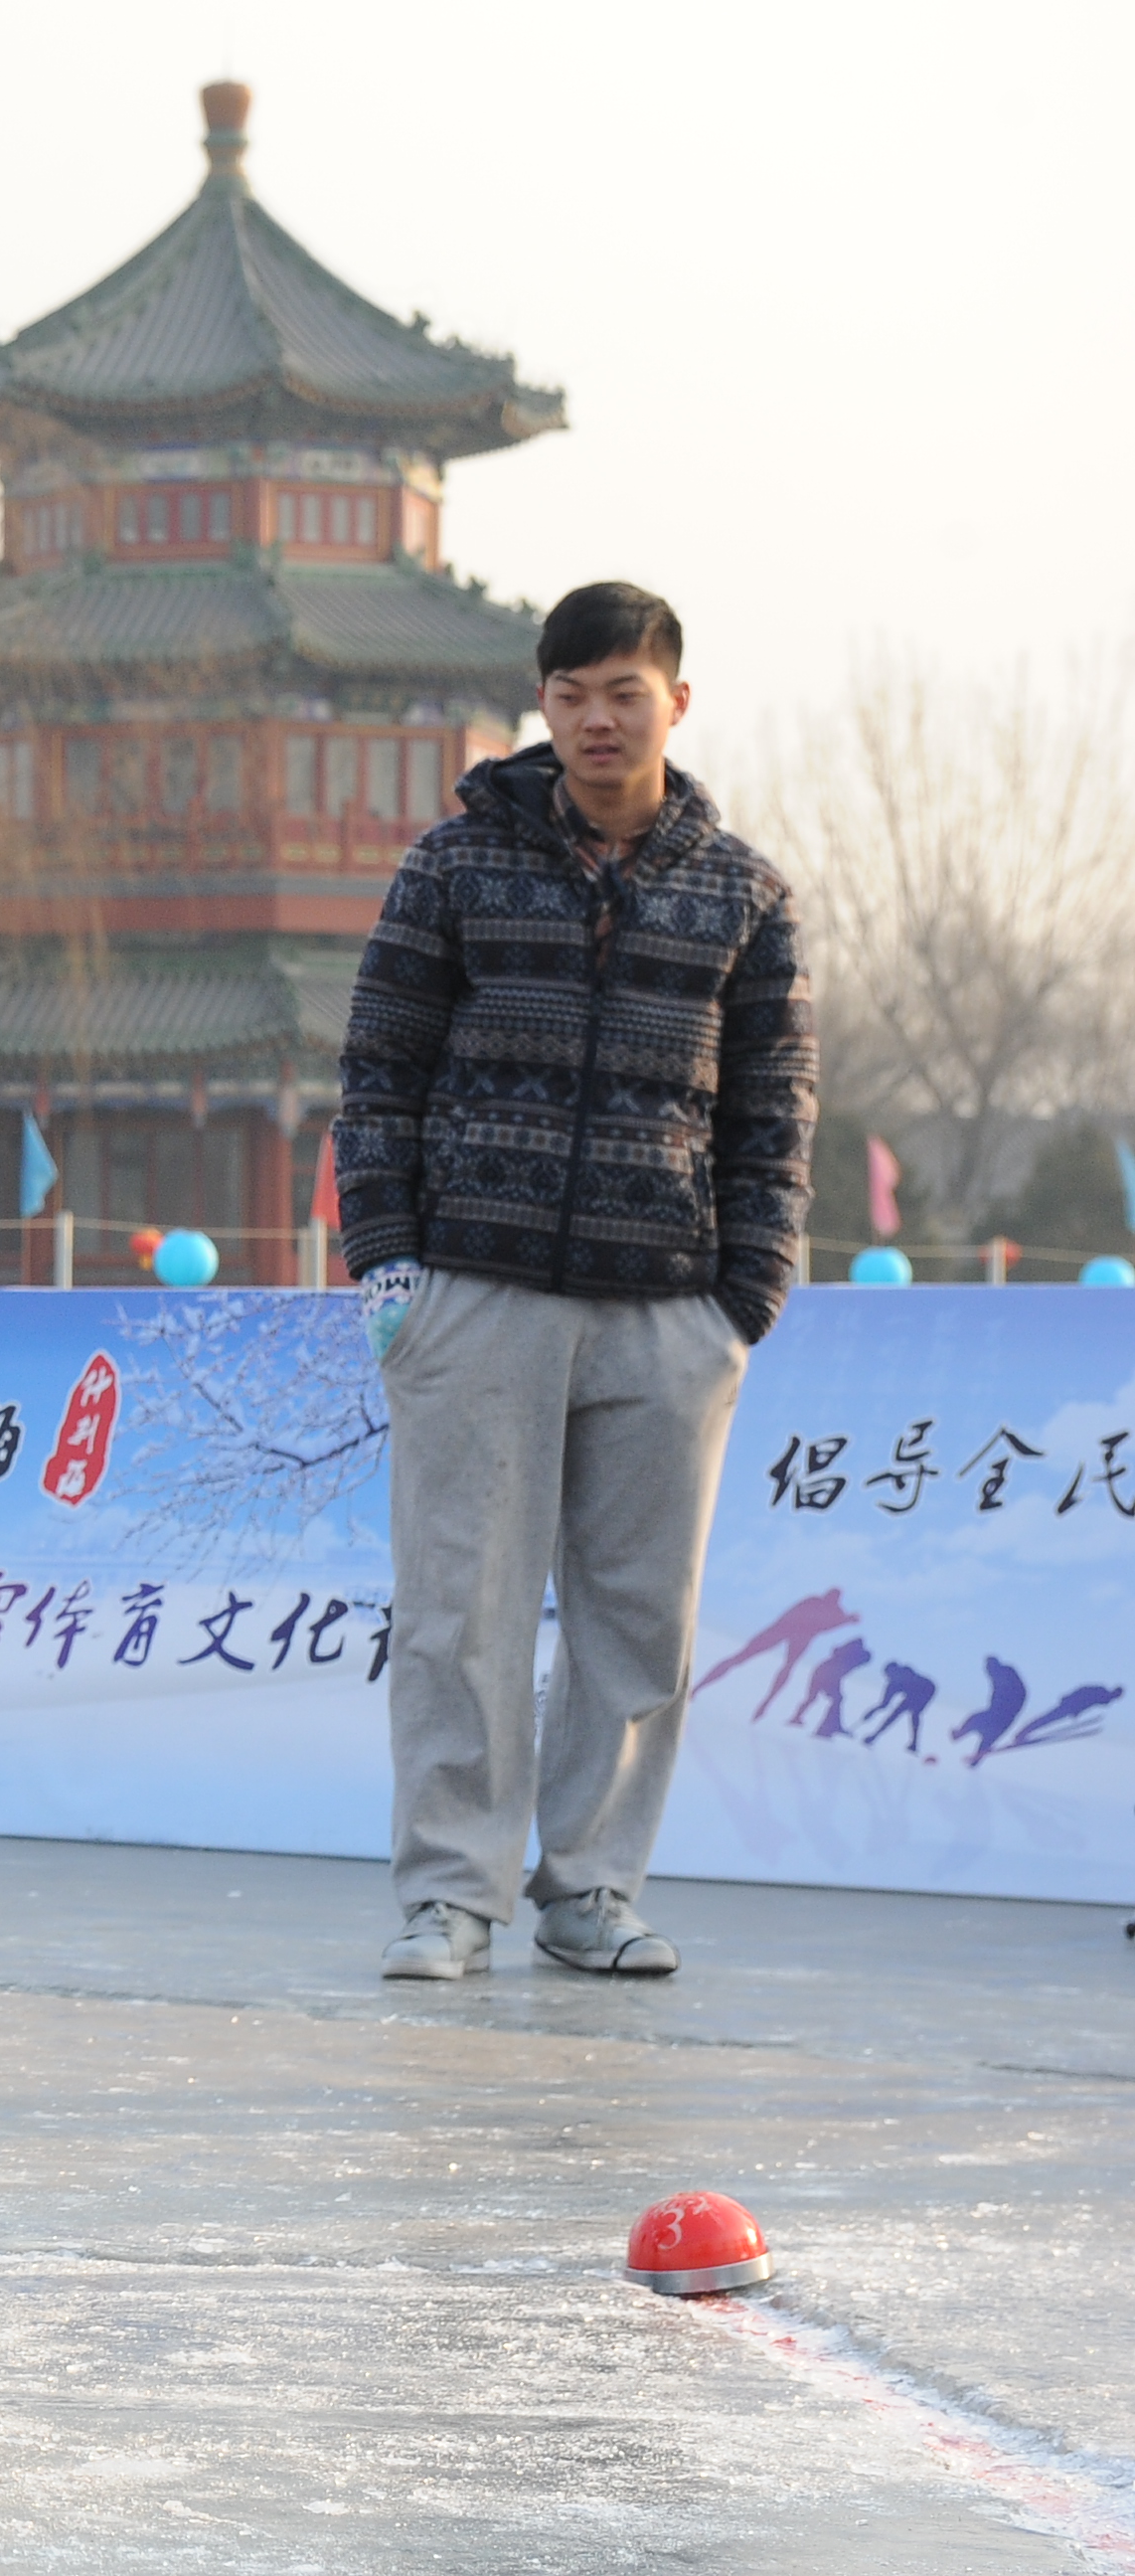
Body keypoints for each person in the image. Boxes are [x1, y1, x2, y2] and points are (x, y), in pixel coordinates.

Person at [334, 581, 813, 1983]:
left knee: (637, 1615)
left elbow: (775, 1109)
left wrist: (744, 1302)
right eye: (571, 694)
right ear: (541, 704)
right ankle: (450, 1898)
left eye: (625, 691)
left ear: (677, 699)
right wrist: (389, 1270)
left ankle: (593, 1887)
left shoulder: (743, 895)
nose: (599, 719)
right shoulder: (452, 867)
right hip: (476, 1293)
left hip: (669, 1309)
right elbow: (378, 1074)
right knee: (460, 1608)